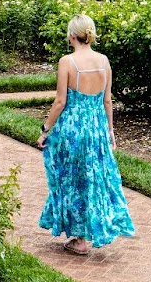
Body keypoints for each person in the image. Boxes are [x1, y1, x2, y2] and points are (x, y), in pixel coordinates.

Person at [36, 14, 136, 255]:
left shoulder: (67, 62)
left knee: (72, 178)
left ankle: (79, 238)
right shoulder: (103, 61)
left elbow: (60, 102)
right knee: (95, 178)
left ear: (72, 35)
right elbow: (107, 101)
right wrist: (110, 130)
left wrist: (45, 130)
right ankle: (93, 230)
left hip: (72, 129)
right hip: (96, 129)